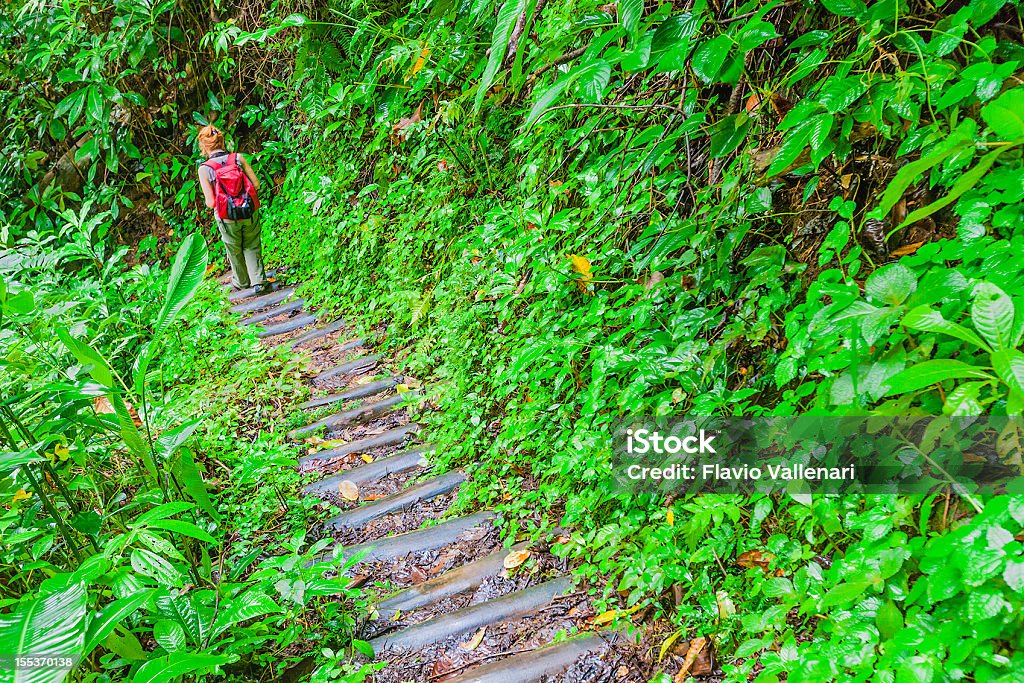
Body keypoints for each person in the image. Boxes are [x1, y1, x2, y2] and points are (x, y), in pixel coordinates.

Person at [197, 124, 267, 292]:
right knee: (252, 244)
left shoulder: (204, 170)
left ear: (204, 147)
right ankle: (258, 281)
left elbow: (211, 202)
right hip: (248, 210)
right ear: (222, 142)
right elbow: (255, 184)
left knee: (233, 248)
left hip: (226, 216)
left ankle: (241, 282)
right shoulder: (238, 158)